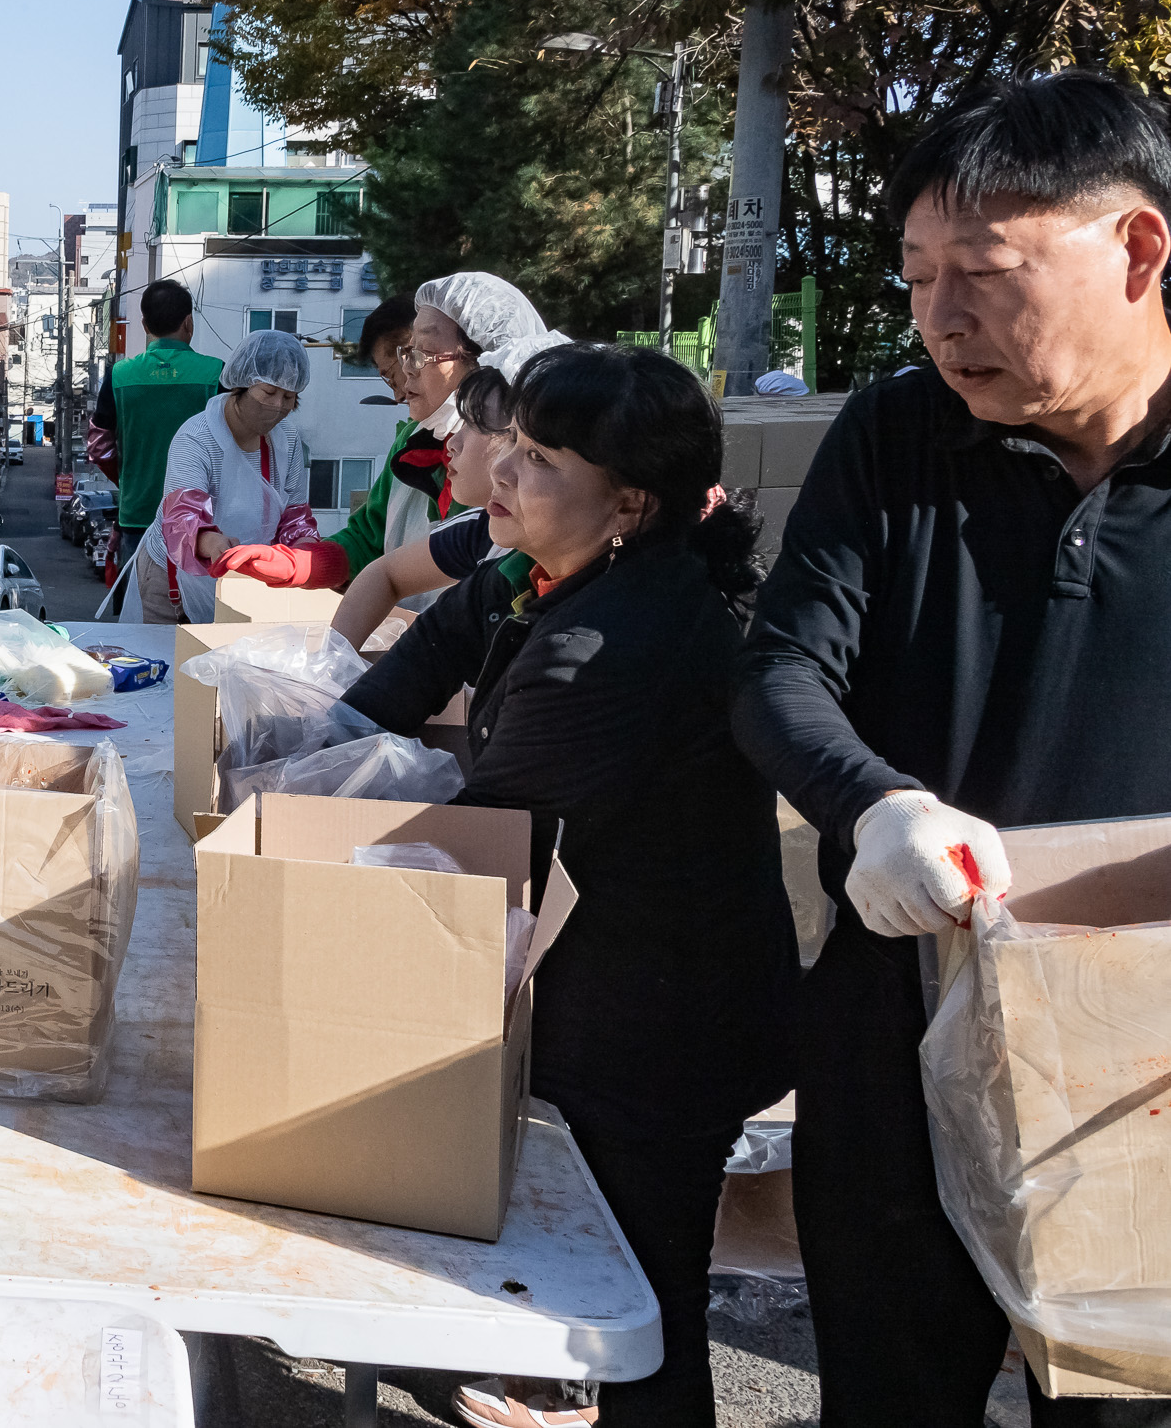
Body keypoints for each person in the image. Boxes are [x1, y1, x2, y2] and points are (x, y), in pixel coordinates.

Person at [732, 73, 1171, 1428]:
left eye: (979, 273)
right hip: (902, 1010)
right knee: (888, 1383)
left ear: (1139, 249)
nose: (938, 318)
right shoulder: (897, 434)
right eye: (917, 277)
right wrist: (872, 805)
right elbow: (777, 666)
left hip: (1138, 1056)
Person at [340, 344, 797, 1428]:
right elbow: (405, 675)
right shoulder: (549, 573)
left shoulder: (614, 639)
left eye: (537, 457)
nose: (500, 471)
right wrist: (315, 750)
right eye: (511, 444)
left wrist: (303, 849)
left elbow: (478, 837)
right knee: (608, 1290)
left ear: (627, 500)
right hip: (613, 988)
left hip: (662, 1020)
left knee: (639, 1306)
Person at [217, 272, 565, 597]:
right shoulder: (414, 442)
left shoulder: (516, 480)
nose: (405, 377)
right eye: (405, 357)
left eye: (422, 354)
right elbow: (371, 540)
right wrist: (306, 564)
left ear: (489, 359)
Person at [326, 365, 533, 650]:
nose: (453, 443)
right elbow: (384, 574)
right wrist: (329, 669)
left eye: (474, 423)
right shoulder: (480, 529)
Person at [128, 329, 318, 624]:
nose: (278, 406)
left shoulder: (287, 441)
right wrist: (212, 541)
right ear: (240, 385)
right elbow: (181, 518)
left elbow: (294, 515)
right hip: (172, 577)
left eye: (289, 397)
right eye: (268, 393)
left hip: (245, 578)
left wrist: (305, 555)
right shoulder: (197, 438)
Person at [87, 279, 223, 565]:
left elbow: (99, 449)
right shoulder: (216, 374)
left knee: (141, 604)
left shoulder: (118, 375)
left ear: (144, 325)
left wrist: (130, 479)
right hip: (202, 523)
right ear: (189, 322)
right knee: (196, 607)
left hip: (138, 517)